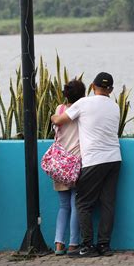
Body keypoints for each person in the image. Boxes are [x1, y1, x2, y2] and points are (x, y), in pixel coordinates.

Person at [51, 72, 121, 257]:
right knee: (107, 203)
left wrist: (52, 116)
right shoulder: (115, 107)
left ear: (92, 87)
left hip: (93, 160)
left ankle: (87, 246)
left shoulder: (84, 103)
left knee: (82, 203)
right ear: (111, 90)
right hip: (114, 158)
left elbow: (60, 120)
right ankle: (104, 245)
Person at [52, 80, 85, 256]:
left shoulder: (59, 110)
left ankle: (58, 244)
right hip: (76, 162)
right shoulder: (82, 111)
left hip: (59, 163)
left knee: (63, 206)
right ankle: (73, 243)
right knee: (75, 204)